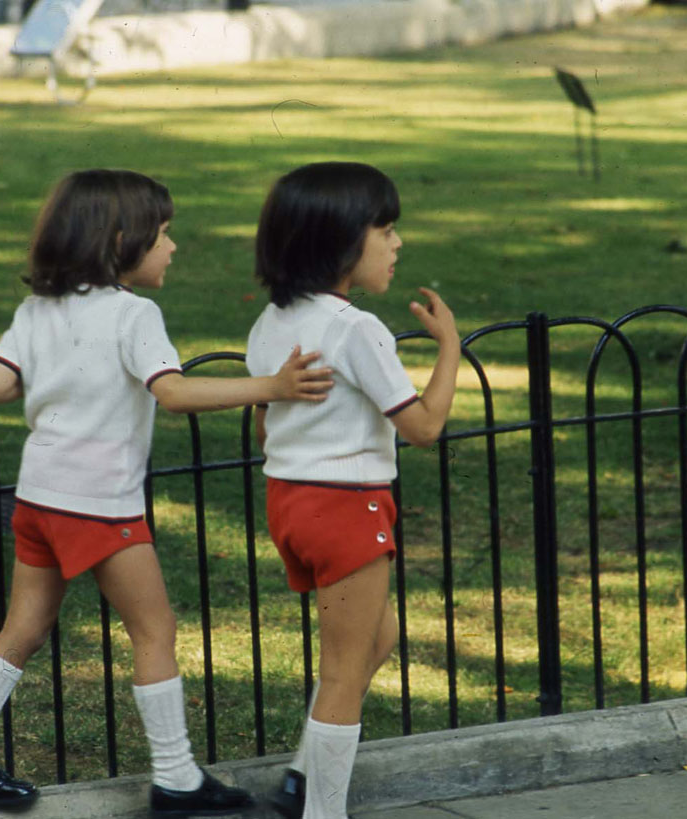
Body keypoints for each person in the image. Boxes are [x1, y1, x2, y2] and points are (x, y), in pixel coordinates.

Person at [0, 169, 334, 816]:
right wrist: (273, 388)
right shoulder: (133, 313)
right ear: (122, 239)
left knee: (23, 628)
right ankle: (176, 778)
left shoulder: (37, 310)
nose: (173, 247)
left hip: (39, 499)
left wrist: (48, 371)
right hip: (99, 504)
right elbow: (171, 393)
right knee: (155, 628)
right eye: (164, 234)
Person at [245, 162, 460, 819]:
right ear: (340, 240)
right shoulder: (357, 328)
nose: (397, 244)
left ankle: (302, 773)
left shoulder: (269, 323)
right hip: (348, 506)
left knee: (377, 636)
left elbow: (264, 423)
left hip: (291, 502)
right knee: (343, 672)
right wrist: (447, 346)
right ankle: (321, 808)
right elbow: (422, 426)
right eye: (386, 230)